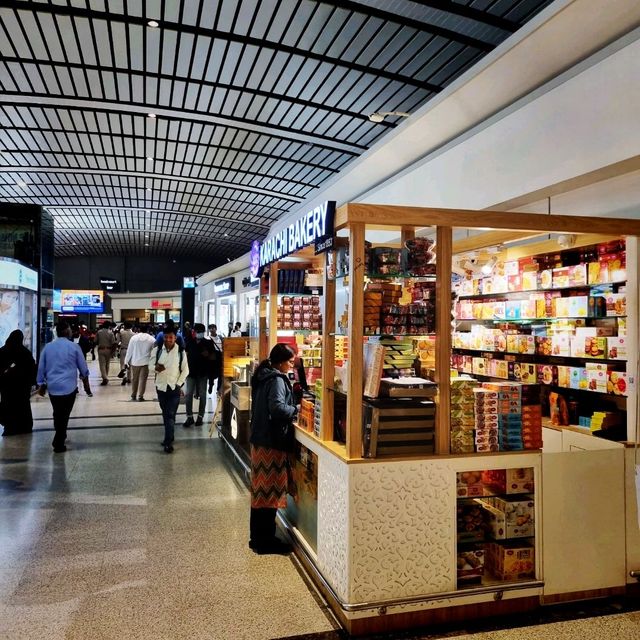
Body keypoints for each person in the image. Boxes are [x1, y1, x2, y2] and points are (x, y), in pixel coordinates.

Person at [248, 343, 298, 554]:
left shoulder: (264, 375)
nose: (291, 365)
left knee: (261, 493)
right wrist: (295, 409)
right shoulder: (277, 379)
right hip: (271, 442)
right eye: (290, 361)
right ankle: (265, 541)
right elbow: (277, 408)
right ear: (280, 362)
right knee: (269, 494)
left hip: (260, 439)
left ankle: (258, 538)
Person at [36, 320, 92, 453]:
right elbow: (83, 368)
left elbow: (41, 367)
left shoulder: (48, 347)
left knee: (57, 412)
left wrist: (41, 383)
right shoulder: (74, 347)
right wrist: (85, 380)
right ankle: (58, 441)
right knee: (65, 414)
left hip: (53, 387)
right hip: (69, 387)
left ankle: (60, 434)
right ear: (67, 331)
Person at [150, 327, 189, 453]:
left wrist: (178, 384)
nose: (168, 340)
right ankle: (170, 435)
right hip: (161, 387)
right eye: (166, 337)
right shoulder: (157, 350)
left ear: (175, 338)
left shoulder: (180, 352)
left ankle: (168, 442)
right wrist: (156, 368)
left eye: (171, 337)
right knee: (166, 413)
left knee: (170, 414)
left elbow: (185, 370)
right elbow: (150, 365)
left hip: (174, 388)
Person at [0, 330, 37, 436]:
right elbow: (31, 368)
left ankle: (9, 428)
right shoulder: (25, 352)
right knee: (23, 406)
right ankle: (24, 427)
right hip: (22, 387)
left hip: (7, 387)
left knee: (8, 405)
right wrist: (31, 382)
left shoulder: (3, 351)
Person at [183, 323, 214, 427]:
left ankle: (200, 417)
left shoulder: (208, 343)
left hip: (203, 373)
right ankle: (189, 417)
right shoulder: (190, 342)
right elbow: (185, 355)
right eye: (198, 332)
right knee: (188, 395)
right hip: (190, 373)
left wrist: (208, 355)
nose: (199, 334)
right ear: (194, 332)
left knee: (203, 395)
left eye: (201, 332)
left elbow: (213, 357)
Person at [124, 326, 156, 401]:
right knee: (143, 380)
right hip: (146, 362)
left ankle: (133, 395)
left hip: (135, 362)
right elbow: (154, 351)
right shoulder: (151, 339)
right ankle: (140, 396)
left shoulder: (134, 338)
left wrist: (126, 361)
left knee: (134, 379)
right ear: (148, 330)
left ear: (139, 330)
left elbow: (129, 351)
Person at [96, 320, 116, 385]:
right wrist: (113, 352)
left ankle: (105, 378)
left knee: (102, 365)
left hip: (101, 349)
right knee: (107, 365)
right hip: (109, 350)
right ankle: (105, 377)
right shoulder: (111, 333)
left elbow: (95, 341)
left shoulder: (99, 332)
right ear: (109, 326)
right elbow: (113, 343)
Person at [206, 324, 222, 394]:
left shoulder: (220, 337)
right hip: (212, 359)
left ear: (216, 329)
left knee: (220, 374)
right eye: (210, 328)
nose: (212, 330)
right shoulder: (208, 338)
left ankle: (219, 389)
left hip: (220, 357)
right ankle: (211, 385)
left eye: (213, 328)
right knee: (211, 374)